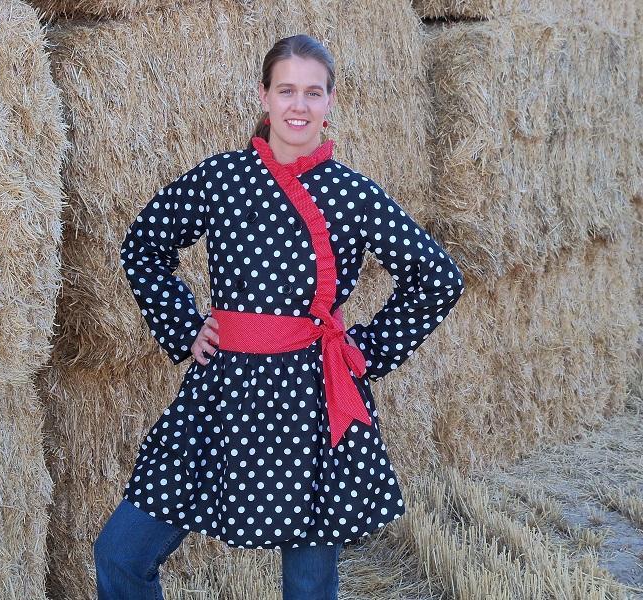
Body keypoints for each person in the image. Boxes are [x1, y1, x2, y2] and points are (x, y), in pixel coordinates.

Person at [94, 34, 465, 600]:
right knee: (120, 552)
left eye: (312, 92)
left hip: (311, 398)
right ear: (263, 96)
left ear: (330, 102)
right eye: (286, 89)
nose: (299, 105)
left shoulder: (353, 194)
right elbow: (144, 244)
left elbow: (438, 278)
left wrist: (365, 351)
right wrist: (182, 325)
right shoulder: (220, 179)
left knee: (310, 584)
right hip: (222, 389)